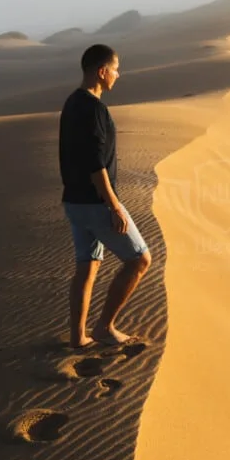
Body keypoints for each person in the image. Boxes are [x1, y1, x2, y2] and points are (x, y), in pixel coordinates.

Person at [59, 44, 152, 348]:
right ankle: (104, 328)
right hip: (95, 202)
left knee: (88, 266)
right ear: (101, 71)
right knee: (139, 259)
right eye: (115, 68)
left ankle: (77, 337)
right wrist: (114, 207)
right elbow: (95, 165)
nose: (117, 74)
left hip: (74, 202)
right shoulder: (94, 109)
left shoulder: (72, 102)